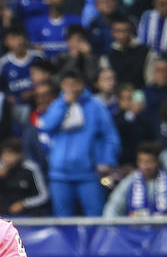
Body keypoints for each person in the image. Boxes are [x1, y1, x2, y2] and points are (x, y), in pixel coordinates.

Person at [42, 71, 120, 216]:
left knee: (94, 219)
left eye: (75, 83)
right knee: (63, 222)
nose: (71, 87)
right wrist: (65, 104)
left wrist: (107, 161)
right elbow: (47, 127)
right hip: (60, 175)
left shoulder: (96, 106)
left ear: (82, 85)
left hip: (89, 174)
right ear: (62, 86)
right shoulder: (57, 104)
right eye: (67, 84)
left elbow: (110, 136)